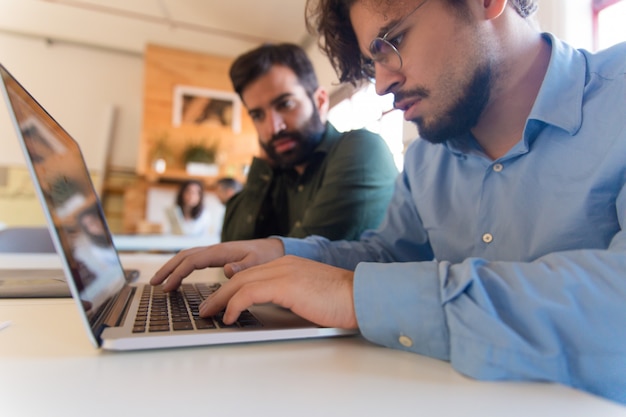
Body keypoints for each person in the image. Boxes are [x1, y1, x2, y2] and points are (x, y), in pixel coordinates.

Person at [151, 0, 626, 405]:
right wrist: (285, 255)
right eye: (372, 61)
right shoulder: (427, 161)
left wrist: (356, 296)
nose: (380, 84)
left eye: (392, 42)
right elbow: (387, 255)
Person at [220, 43, 398, 242]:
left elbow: (304, 257)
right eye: (258, 115)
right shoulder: (278, 175)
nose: (273, 128)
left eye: (285, 104)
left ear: (320, 101)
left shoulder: (362, 149)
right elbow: (233, 250)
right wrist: (263, 167)